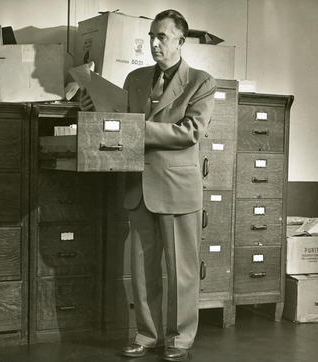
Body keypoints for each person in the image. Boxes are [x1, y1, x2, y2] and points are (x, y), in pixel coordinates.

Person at [80, 9, 216, 362]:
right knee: (142, 272)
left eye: (163, 37)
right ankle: (147, 335)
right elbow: (117, 122)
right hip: (139, 187)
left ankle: (181, 339)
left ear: (180, 42)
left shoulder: (201, 82)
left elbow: (190, 133)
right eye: (152, 36)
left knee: (182, 272)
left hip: (177, 189)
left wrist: (135, 128)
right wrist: (91, 105)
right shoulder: (135, 78)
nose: (154, 43)